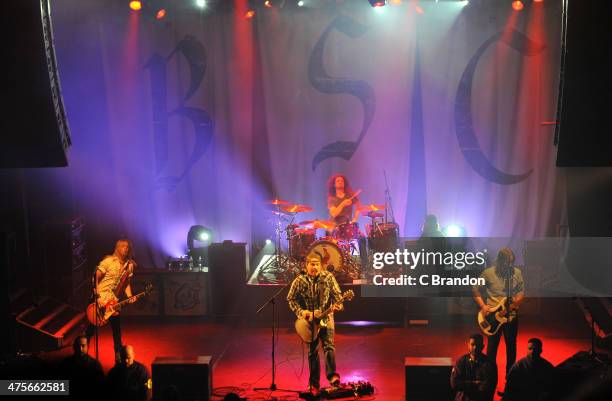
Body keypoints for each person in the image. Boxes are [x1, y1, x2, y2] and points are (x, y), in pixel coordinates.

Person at [287, 253, 344, 395]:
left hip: (327, 317)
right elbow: (290, 299)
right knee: (312, 352)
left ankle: (332, 377)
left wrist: (339, 306)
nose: (315, 267)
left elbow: (338, 297)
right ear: (306, 265)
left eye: (317, 264)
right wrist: (302, 312)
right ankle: (314, 385)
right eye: (312, 264)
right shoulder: (300, 280)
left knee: (329, 346)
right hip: (310, 321)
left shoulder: (328, 277)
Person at [472, 247, 525, 376]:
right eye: (507, 263)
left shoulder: (517, 273)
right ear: (499, 261)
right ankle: (490, 376)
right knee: (492, 348)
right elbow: (475, 289)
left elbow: (520, 292)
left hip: (510, 315)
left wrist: (515, 303)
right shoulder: (488, 273)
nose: (510, 265)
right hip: (492, 316)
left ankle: (510, 377)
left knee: (511, 346)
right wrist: (483, 305)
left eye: (511, 263)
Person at [86, 239, 137, 363]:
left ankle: (118, 357)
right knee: (92, 328)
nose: (126, 249)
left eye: (128, 247)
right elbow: (95, 279)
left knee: (116, 329)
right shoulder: (108, 261)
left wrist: (130, 296)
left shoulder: (129, 266)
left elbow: (127, 284)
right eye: (123, 246)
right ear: (118, 247)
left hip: (113, 301)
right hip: (100, 299)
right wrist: (97, 297)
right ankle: (82, 351)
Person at [327, 174, 367, 267]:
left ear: (344, 183)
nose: (340, 182)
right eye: (338, 181)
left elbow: (358, 207)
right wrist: (343, 204)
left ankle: (360, 265)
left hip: (349, 225)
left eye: (342, 180)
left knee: (362, 237)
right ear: (334, 184)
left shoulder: (350, 195)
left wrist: (355, 219)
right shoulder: (331, 199)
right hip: (336, 226)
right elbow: (334, 213)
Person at [450, 333, 498, 401]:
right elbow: (454, 384)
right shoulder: (461, 361)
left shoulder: (490, 364)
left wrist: (466, 385)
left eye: (478, 345)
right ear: (468, 345)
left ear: (482, 346)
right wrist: (475, 383)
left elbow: (488, 387)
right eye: (472, 345)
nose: (475, 347)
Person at [59, 335, 104, 400]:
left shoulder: (95, 364)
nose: (80, 349)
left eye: (83, 346)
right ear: (74, 347)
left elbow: (100, 386)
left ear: (88, 346)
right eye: (78, 346)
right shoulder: (66, 363)